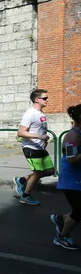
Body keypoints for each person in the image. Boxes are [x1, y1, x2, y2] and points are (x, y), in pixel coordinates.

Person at [14, 89, 55, 205]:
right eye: (45, 98)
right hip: (31, 148)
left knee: (50, 170)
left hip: (40, 147)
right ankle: (25, 196)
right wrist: (40, 137)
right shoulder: (30, 113)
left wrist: (43, 139)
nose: (48, 100)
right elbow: (21, 132)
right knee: (38, 172)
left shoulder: (41, 113)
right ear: (37, 100)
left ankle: (22, 180)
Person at [50, 104, 81, 250]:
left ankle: (60, 219)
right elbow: (71, 159)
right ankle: (61, 237)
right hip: (71, 180)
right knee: (79, 211)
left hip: (78, 178)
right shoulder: (72, 136)